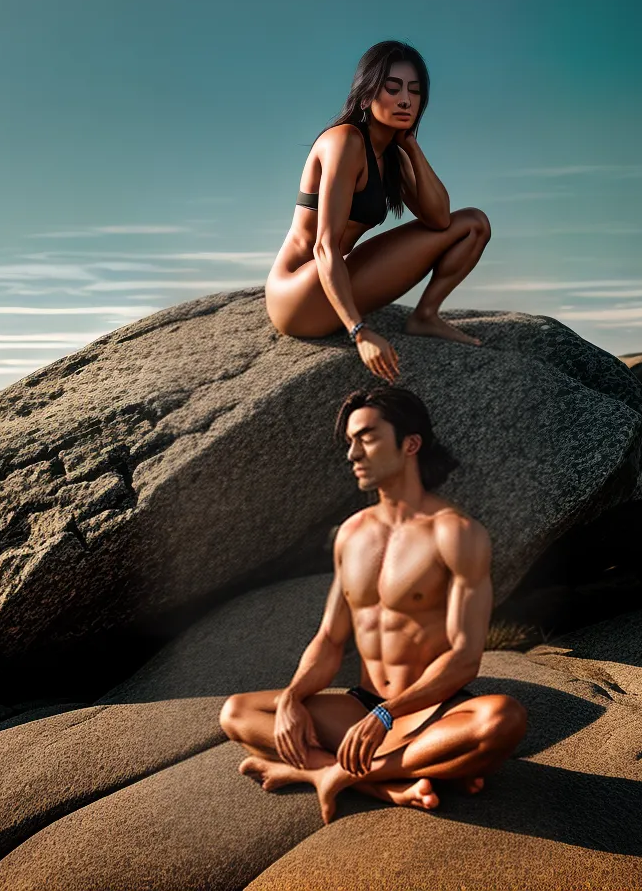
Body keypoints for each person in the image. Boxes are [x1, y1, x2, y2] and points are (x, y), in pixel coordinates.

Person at [218, 386, 527, 824]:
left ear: (410, 444)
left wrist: (388, 714)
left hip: (430, 712)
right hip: (360, 709)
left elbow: (464, 658)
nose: (352, 454)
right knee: (239, 713)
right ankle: (379, 781)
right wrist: (292, 697)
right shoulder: (352, 533)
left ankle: (331, 773)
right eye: (349, 442)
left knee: (501, 719)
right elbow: (329, 638)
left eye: (366, 437)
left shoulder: (456, 533)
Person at [265, 40, 492, 384]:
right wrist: (360, 331)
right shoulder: (345, 142)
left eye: (415, 92)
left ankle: (426, 315)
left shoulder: (391, 155)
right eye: (393, 88)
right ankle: (371, 320)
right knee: (465, 225)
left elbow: (441, 220)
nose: (405, 99)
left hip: (332, 277)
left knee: (473, 224)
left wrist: (412, 148)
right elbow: (324, 246)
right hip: (297, 292)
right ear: (367, 92)